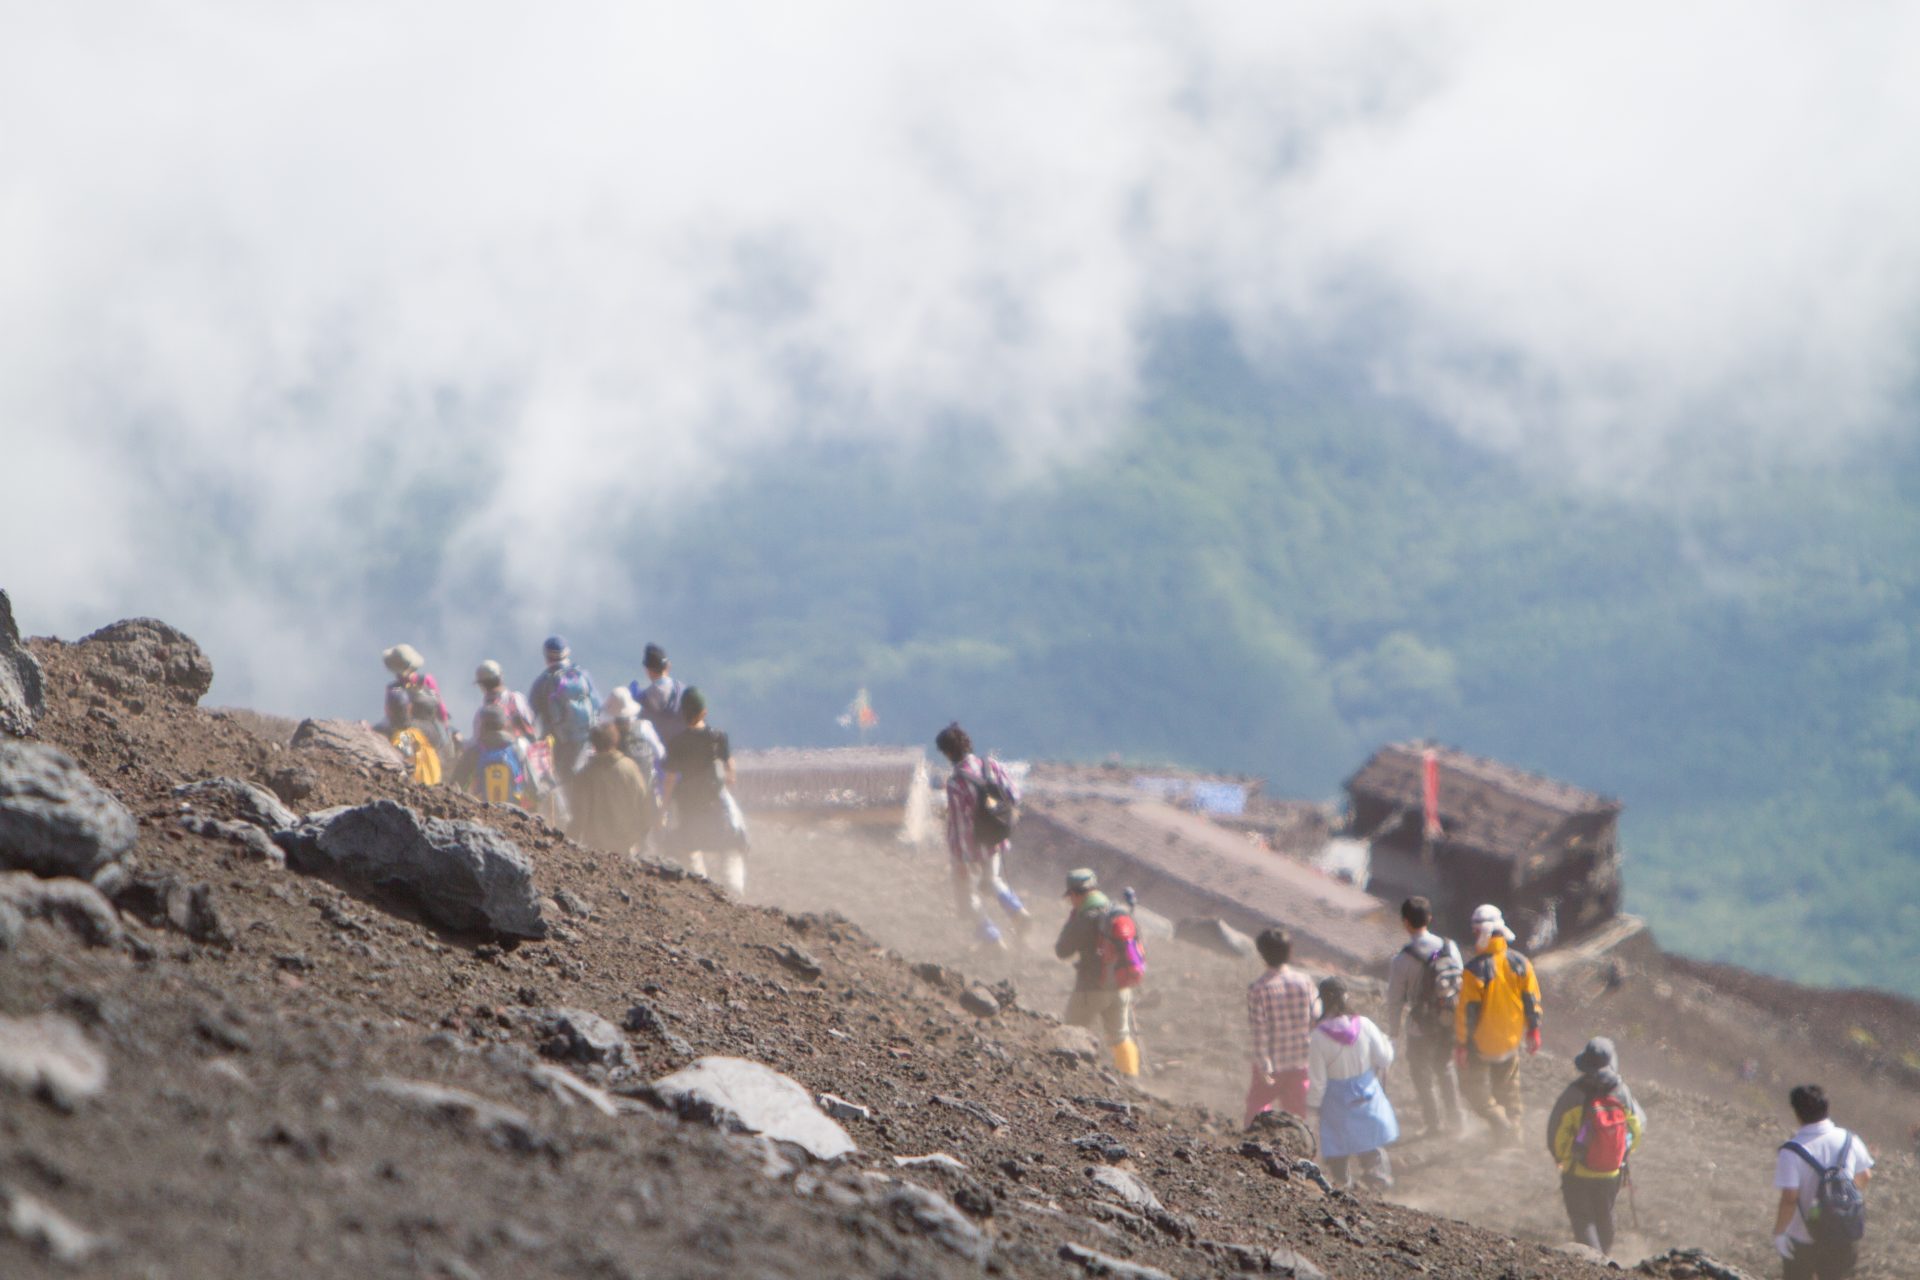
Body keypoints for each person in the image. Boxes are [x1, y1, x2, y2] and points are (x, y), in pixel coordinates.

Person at [936, 722, 1034, 948]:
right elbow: (1014, 795)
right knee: (992, 881)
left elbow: (959, 824)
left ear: (948, 752)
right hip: (996, 837)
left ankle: (992, 938)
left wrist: (960, 858)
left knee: (965, 896)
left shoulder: (956, 783)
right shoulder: (991, 766)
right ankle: (1018, 911)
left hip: (970, 846)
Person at [1545, 1037, 1645, 1256]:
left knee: (1583, 1218)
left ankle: (1595, 1263)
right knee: (1605, 1214)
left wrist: (1562, 1159)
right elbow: (1637, 1128)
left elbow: (1556, 1133)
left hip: (1577, 1171)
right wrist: (1622, 1154)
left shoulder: (1573, 1094)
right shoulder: (1621, 1092)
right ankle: (1604, 1258)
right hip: (1612, 1172)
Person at [1455, 903, 1542, 1143]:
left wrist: (1461, 1044)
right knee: (1509, 1091)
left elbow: (1467, 1012)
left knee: (1473, 1090)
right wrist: (1533, 1030)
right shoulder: (1522, 963)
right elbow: (1532, 1000)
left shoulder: (1474, 970)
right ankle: (1514, 1134)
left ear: (1480, 932)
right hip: (1511, 1041)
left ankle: (1500, 1123)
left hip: (1482, 1046)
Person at [1384, 896, 1465, 1137]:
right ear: (1429, 919)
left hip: (1420, 1025)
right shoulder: (1450, 947)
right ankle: (1457, 1121)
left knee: (1421, 1073)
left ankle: (1433, 1123)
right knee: (1445, 1067)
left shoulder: (1402, 960)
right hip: (1447, 1020)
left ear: (1405, 922)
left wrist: (1394, 1032)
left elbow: (1395, 999)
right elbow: (1459, 982)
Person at [1772, 1084, 1872, 1280]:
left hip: (1803, 1236)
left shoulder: (1792, 1150)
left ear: (1797, 1112)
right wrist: (1841, 1199)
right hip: (1842, 1234)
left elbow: (1790, 1198)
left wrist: (1780, 1233)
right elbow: (1865, 1175)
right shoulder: (1849, 1140)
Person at [1306, 976, 1398, 1189]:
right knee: (1371, 1145)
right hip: (1367, 1094)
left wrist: (1312, 1107)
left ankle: (1342, 1186)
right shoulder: (1364, 1025)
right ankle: (1378, 1185)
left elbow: (1317, 1083)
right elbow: (1384, 1058)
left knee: (1338, 1151)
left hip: (1335, 1101)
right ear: (1346, 997)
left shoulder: (1318, 1037)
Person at [661, 687, 749, 893]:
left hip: (687, 803)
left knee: (689, 846)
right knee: (732, 842)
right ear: (704, 712)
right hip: (715, 799)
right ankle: (734, 887)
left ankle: (700, 886)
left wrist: (664, 807)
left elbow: (670, 779)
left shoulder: (677, 742)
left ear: (682, 714)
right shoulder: (718, 738)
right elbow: (730, 771)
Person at [1054, 868, 1140, 1076]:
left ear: (1075, 894)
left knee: (1071, 1030)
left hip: (1091, 989)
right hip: (1120, 987)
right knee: (1120, 1036)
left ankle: (1066, 1076)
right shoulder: (1115, 911)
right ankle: (1131, 1080)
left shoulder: (1087, 917)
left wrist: (1073, 919)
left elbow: (1062, 950)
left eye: (1071, 898)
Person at [1245, 926, 1319, 1125]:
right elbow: (1317, 1018)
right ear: (1290, 952)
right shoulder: (1305, 982)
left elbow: (1259, 1031)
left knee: (1257, 1108)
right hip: (1301, 1061)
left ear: (1262, 954)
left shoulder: (1258, 989)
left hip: (1273, 1063)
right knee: (1297, 1116)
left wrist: (1263, 1064)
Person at [567, 723, 656, 855]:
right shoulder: (629, 768)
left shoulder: (585, 775)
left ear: (593, 744)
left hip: (596, 847)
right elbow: (645, 803)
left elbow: (580, 815)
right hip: (627, 843)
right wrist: (643, 837)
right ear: (616, 740)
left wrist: (568, 842)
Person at [529, 635, 599, 784]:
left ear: (546, 656)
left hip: (558, 741)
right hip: (586, 739)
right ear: (567, 653)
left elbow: (531, 715)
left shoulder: (543, 682)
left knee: (563, 780)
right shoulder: (583, 676)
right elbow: (597, 705)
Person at [382, 644, 452, 748]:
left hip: (405, 732)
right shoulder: (427, 680)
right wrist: (446, 727)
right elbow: (440, 707)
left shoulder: (393, 689)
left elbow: (389, 715)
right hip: (432, 731)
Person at [469, 704, 535, 808]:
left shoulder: (475, 751)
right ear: (504, 725)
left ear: (482, 726)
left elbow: (456, 781)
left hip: (483, 809)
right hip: (513, 810)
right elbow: (533, 784)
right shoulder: (516, 749)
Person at [378, 686, 443, 786]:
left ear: (388, 709)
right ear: (409, 707)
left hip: (418, 787)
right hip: (434, 787)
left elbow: (404, 753)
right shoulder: (428, 731)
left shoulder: (403, 734)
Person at [602, 685, 666, 785]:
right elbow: (660, 753)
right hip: (645, 787)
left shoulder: (607, 732)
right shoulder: (644, 727)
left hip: (619, 788)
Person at [631, 643, 687, 746]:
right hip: (682, 750)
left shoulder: (643, 699)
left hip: (657, 754)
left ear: (648, 670)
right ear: (667, 666)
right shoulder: (683, 691)